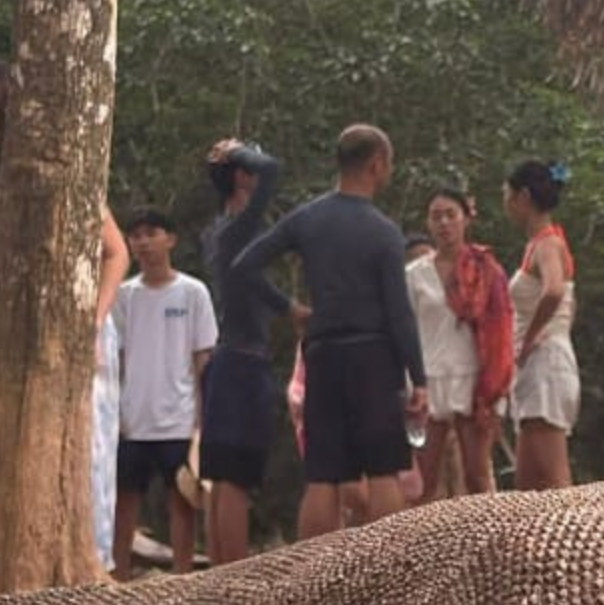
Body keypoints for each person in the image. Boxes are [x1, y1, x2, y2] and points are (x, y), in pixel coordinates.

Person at [0, 61, 129, 570]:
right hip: (8, 340)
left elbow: (116, 253)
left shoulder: (53, 175)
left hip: (76, 335)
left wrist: (91, 326)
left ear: (2, 112)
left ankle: (88, 575)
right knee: (11, 466)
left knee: (83, 465)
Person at [234, 123, 426, 538]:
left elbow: (245, 264)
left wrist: (288, 307)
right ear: (376, 164)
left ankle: (309, 580)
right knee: (382, 471)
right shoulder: (384, 232)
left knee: (323, 475)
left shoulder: (308, 219)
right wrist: (419, 378)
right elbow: (399, 312)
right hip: (374, 356)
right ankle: (383, 572)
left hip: (323, 353)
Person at [197, 137, 305, 566]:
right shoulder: (239, 226)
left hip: (228, 360)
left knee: (224, 478)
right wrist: (234, 152)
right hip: (242, 361)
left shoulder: (217, 231)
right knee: (235, 480)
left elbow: (251, 281)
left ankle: (222, 572)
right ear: (242, 176)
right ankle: (235, 574)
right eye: (248, 163)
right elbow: (273, 168)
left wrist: (287, 307)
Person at [112, 209, 218, 578]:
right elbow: (118, 357)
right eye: (135, 234)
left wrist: (203, 419)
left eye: (150, 233)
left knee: (182, 501)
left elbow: (202, 358)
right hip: (132, 419)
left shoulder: (193, 292)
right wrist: (115, 413)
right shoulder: (123, 295)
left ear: (170, 239)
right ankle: (118, 577)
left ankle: (182, 578)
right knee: (124, 502)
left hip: (179, 418)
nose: (142, 241)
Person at [405, 189, 512, 499]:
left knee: (477, 476)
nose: (444, 223)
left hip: (475, 379)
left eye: (451, 214)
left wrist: (497, 389)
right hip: (428, 379)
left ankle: (486, 542)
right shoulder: (413, 276)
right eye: (436, 216)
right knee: (424, 480)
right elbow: (403, 331)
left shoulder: (487, 270)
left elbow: (501, 330)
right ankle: (421, 544)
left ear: (466, 219)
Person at [503, 160, 580, 489]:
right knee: (529, 483)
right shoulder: (538, 244)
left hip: (546, 360)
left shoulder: (549, 243)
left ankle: (578, 539)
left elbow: (554, 290)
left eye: (507, 196)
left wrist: (531, 337)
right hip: (536, 365)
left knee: (554, 477)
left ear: (522, 197)